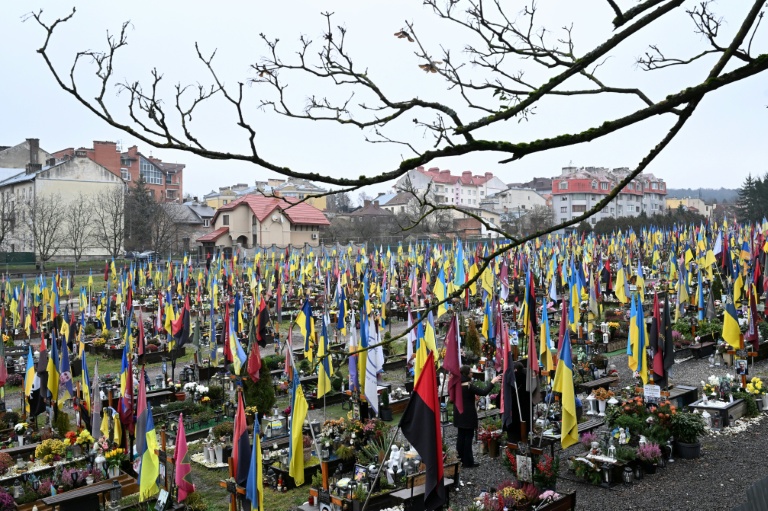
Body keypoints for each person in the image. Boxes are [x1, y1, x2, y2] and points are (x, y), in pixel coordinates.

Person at [453, 365, 501, 469]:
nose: (472, 374)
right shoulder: (469, 385)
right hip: (468, 415)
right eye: (470, 372)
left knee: (461, 437)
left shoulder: (456, 384)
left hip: (458, 414)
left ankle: (459, 459)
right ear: (466, 374)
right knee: (468, 438)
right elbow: (484, 392)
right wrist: (492, 382)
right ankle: (468, 462)